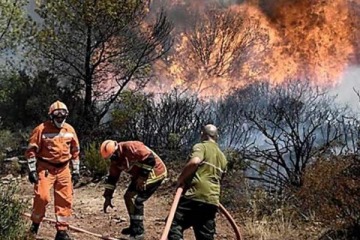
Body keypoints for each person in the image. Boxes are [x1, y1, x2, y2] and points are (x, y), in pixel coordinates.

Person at [25, 100, 80, 240]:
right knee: (42, 197)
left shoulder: (70, 130)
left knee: (65, 199)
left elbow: (75, 151)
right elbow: (31, 150)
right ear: (51, 115)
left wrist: (76, 170)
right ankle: (35, 225)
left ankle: (61, 231)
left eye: (63, 114)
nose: (60, 117)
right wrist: (32, 170)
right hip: (46, 168)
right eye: (57, 114)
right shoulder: (41, 129)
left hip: (64, 169)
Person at [167, 124, 228, 240]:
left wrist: (180, 179)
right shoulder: (223, 157)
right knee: (205, 235)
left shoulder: (201, 146)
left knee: (173, 224)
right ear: (217, 137)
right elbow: (221, 178)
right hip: (212, 200)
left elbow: (194, 162)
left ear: (202, 135)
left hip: (195, 195)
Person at [100, 140, 167, 240]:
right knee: (128, 197)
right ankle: (134, 227)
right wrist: (108, 197)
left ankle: (139, 233)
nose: (113, 160)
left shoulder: (132, 147)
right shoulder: (115, 162)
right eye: (110, 159)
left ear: (117, 150)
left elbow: (150, 159)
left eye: (113, 157)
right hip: (140, 175)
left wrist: (143, 177)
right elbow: (112, 178)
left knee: (135, 199)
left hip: (155, 171)